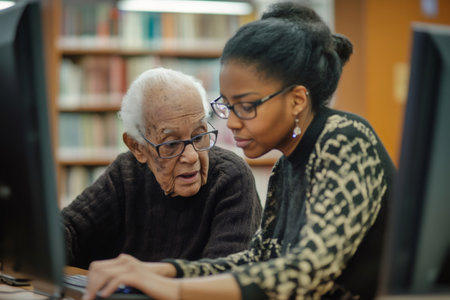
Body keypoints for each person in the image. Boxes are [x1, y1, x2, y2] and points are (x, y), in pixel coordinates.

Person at [82, 2, 396, 300]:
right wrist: (161, 270)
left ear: (297, 100)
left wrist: (173, 290)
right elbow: (256, 261)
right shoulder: (286, 166)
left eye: (245, 106)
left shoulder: (346, 139)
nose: (231, 123)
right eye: (227, 106)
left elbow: (307, 270)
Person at [61, 67, 262, 270]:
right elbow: (67, 231)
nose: (192, 156)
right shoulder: (126, 173)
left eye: (199, 136)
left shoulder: (230, 177)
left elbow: (223, 277)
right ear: (137, 147)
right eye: (171, 144)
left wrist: (145, 276)